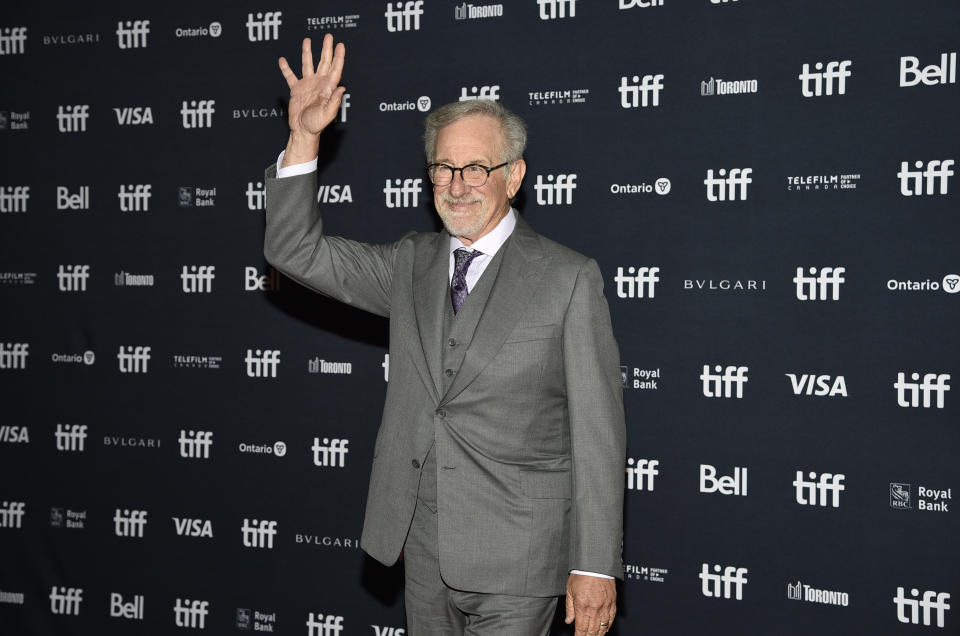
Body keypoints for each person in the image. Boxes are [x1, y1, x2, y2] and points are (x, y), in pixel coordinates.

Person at [265, 34, 626, 636]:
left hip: (520, 557)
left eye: (477, 168)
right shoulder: (410, 263)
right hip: (423, 551)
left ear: (514, 176)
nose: (457, 184)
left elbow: (598, 434)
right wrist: (304, 137)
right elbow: (293, 249)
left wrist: (594, 566)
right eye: (443, 168)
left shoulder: (568, 278)